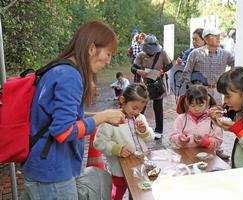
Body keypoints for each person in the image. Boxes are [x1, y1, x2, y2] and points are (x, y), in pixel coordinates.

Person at [22, 21, 127, 200]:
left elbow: (58, 117)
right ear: (92, 48)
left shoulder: (60, 68)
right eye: (108, 54)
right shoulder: (70, 77)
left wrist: (99, 117)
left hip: (42, 167)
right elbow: (63, 132)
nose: (108, 61)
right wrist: (102, 116)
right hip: (52, 174)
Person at [93, 83, 154, 200]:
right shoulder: (111, 119)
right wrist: (117, 149)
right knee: (117, 195)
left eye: (140, 109)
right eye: (134, 108)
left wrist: (144, 131)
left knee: (138, 193)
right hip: (120, 170)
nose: (136, 112)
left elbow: (149, 138)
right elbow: (99, 142)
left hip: (140, 167)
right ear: (123, 100)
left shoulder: (140, 118)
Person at [131, 34, 173, 139]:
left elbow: (170, 64)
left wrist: (161, 71)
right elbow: (133, 68)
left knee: (158, 107)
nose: (150, 52)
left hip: (158, 83)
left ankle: (159, 130)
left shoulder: (162, 53)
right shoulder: (141, 55)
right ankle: (137, 127)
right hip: (145, 85)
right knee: (141, 106)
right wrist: (138, 71)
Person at [182, 26, 235, 105]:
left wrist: (229, 80)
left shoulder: (226, 54)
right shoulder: (195, 53)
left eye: (218, 36)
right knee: (200, 115)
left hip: (218, 92)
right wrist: (192, 89)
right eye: (214, 36)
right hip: (199, 92)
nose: (218, 38)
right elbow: (187, 72)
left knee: (216, 113)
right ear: (205, 39)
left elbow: (236, 64)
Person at [169, 85, 223, 150]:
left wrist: (206, 142)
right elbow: (172, 137)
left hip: (206, 156)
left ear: (207, 101)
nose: (196, 109)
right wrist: (179, 138)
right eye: (192, 105)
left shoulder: (212, 120)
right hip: (185, 155)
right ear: (187, 102)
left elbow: (218, 141)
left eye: (200, 105)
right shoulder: (181, 119)